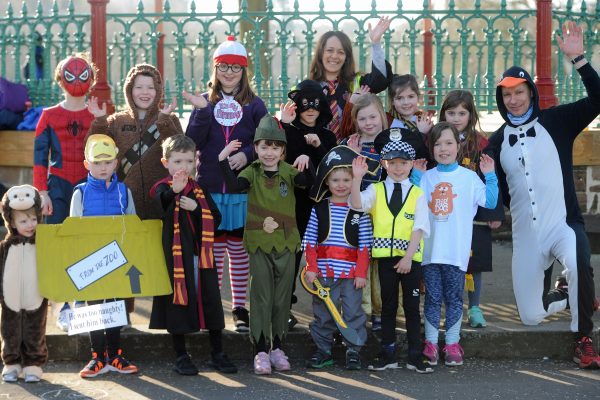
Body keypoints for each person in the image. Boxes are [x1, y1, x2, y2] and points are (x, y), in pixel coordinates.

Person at [485, 21, 600, 368]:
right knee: (531, 316)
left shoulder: (557, 121)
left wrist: (578, 58)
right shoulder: (496, 142)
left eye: (520, 91)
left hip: (562, 225)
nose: (514, 99)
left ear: (531, 93)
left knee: (579, 261)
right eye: (507, 94)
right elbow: (495, 190)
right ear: (501, 99)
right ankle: (568, 294)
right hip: (526, 237)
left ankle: (583, 337)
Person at [218, 115, 314, 375]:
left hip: (286, 243)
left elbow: (311, 184)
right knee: (261, 296)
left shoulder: (289, 172)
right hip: (260, 243)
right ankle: (259, 350)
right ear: (256, 149)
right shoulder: (252, 171)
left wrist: (309, 157)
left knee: (282, 299)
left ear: (283, 151)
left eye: (275, 148)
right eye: (263, 147)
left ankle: (277, 348)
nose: (269, 153)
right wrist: (222, 159)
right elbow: (237, 186)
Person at [185, 36, 268, 332]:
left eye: (235, 67)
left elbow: (266, 139)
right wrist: (201, 112)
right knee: (215, 248)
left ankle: (240, 307)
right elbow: (192, 141)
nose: (229, 72)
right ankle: (212, 305)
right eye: (223, 66)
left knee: (238, 248)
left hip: (240, 190)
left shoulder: (255, 105)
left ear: (244, 70)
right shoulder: (205, 102)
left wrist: (246, 155)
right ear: (215, 69)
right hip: (210, 188)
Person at [149, 135, 237, 375]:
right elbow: (157, 211)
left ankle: (217, 352)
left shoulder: (199, 190)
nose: (183, 167)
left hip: (202, 258)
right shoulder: (161, 188)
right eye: (177, 161)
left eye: (188, 161)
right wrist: (173, 194)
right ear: (166, 162)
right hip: (176, 260)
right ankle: (181, 355)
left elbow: (216, 219)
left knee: (211, 302)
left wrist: (197, 209)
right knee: (178, 303)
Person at [413, 122, 498, 367]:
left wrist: (490, 174)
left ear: (458, 145)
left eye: (449, 143)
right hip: (429, 253)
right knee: (432, 299)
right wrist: (417, 176)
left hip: (456, 253)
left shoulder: (469, 178)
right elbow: (412, 202)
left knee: (453, 298)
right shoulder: (427, 177)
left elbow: (490, 202)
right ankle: (430, 342)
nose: (443, 148)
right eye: (437, 143)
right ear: (431, 148)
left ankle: (451, 342)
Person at [351, 141, 432, 373]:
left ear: (411, 165)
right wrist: (356, 178)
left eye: (404, 163)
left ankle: (415, 355)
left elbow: (419, 228)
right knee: (387, 306)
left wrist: (407, 258)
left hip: (410, 260)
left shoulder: (417, 194)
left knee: (412, 306)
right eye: (393, 163)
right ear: (385, 164)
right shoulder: (376, 190)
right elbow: (357, 205)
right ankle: (388, 353)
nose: (398, 168)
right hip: (385, 260)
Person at [32, 53, 97, 332]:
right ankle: (62, 306)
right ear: (60, 79)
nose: (77, 81)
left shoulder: (97, 113)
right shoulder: (48, 116)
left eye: (83, 75)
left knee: (86, 244)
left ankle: (82, 301)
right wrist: (42, 192)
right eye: (70, 76)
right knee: (59, 245)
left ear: (91, 79)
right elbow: (39, 156)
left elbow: (108, 152)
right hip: (57, 185)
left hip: (88, 185)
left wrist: (99, 119)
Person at [71, 134, 138, 378]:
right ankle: (97, 358)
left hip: (117, 261)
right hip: (91, 262)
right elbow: (73, 232)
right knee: (95, 309)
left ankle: (116, 355)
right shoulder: (80, 193)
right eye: (97, 162)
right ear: (87, 164)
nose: (102, 167)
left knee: (115, 308)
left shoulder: (124, 191)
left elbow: (132, 226)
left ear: (115, 163)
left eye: (107, 162)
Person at [303, 146, 372, 370]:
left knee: (353, 312)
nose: (341, 185)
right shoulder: (319, 209)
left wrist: (361, 273)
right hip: (323, 274)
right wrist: (311, 267)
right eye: (336, 180)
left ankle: (354, 350)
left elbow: (364, 246)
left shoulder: (359, 211)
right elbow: (310, 241)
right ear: (327, 182)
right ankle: (323, 350)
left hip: (351, 275)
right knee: (323, 314)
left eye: (346, 180)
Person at [439, 90, 504, 328]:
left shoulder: (481, 144)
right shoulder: (436, 140)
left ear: (471, 114)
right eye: (451, 112)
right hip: (445, 213)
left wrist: (493, 213)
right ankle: (449, 306)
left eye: (462, 113)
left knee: (473, 263)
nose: (456, 118)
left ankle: (475, 307)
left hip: (474, 216)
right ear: (443, 113)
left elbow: (492, 177)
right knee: (446, 261)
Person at [279, 79, 337, 329]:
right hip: (292, 204)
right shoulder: (288, 131)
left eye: (315, 104)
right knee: (290, 256)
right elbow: (274, 153)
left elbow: (333, 166)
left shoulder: (327, 135)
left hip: (320, 205)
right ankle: (284, 308)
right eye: (304, 104)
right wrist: (281, 123)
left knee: (324, 257)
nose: (310, 109)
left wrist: (318, 146)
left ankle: (328, 311)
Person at [341, 93, 387, 329]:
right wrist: (352, 155)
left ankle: (379, 309)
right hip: (356, 211)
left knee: (379, 263)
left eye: (373, 117)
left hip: (382, 212)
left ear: (382, 115)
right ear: (355, 121)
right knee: (359, 260)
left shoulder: (390, 144)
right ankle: (360, 308)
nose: (369, 123)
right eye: (362, 119)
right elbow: (339, 177)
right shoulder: (349, 145)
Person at [308, 18, 392, 142]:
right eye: (330, 50)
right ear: (320, 53)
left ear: (346, 57)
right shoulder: (308, 87)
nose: (335, 56)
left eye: (341, 52)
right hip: (318, 150)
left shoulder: (357, 82)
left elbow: (381, 79)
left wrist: (376, 43)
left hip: (354, 150)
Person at [0, 185, 47, 383]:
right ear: (11, 221)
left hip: (36, 296)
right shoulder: (4, 247)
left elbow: (52, 267)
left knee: (35, 331)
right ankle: (11, 363)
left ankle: (33, 365)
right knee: (9, 330)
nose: (30, 225)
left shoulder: (43, 244)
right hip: (10, 298)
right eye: (23, 221)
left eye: (33, 219)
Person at [375, 74, 432, 163]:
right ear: (392, 101)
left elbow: (428, 153)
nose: (406, 102)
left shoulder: (424, 121)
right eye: (399, 98)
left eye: (410, 96)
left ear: (418, 97)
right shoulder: (386, 120)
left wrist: (423, 134)